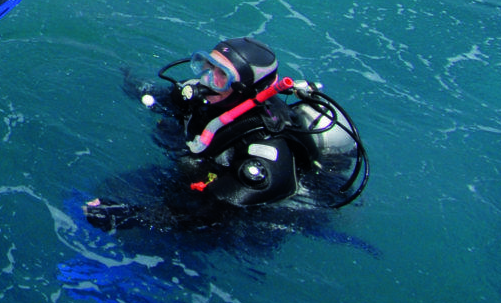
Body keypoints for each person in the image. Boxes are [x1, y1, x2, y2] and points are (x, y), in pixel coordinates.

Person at [84, 37, 368, 232]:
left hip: (252, 216)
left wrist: (133, 216)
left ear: (245, 89)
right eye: (206, 65)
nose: (205, 79)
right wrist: (115, 69)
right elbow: (155, 97)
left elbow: (215, 214)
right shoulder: (204, 96)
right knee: (103, 192)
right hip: (207, 178)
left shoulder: (265, 149)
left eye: (220, 75)